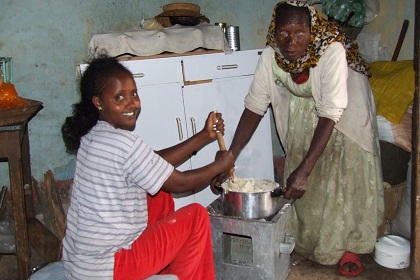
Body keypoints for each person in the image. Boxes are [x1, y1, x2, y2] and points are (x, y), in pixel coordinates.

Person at [212, 0, 384, 276]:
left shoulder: (332, 51)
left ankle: (348, 246)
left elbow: (330, 112)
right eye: (284, 32)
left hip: (345, 108)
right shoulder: (271, 56)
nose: (290, 41)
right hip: (306, 108)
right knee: (308, 182)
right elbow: (255, 106)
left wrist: (304, 170)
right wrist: (229, 157)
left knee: (339, 179)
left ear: (312, 31)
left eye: (300, 32)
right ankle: (308, 241)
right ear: (274, 30)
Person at [61, 55, 234, 280]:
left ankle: (163, 271)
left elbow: (149, 163)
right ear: (98, 102)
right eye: (119, 97)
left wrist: (203, 136)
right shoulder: (122, 143)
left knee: (159, 197)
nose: (130, 103)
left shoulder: (93, 135)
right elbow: (181, 182)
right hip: (108, 269)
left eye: (133, 93)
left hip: (79, 265)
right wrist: (219, 165)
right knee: (196, 217)